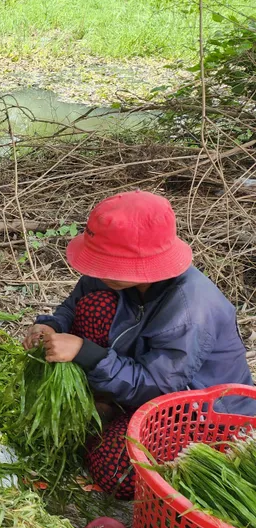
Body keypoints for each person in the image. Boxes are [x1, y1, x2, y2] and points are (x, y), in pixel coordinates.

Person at [24, 190, 254, 500]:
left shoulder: (190, 310)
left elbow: (158, 386)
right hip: (137, 379)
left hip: (195, 412)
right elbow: (73, 306)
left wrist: (84, 352)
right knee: (94, 304)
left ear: (143, 263)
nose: (97, 271)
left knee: (116, 473)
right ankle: (108, 405)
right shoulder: (109, 276)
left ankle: (109, 414)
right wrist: (50, 325)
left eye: (108, 263)